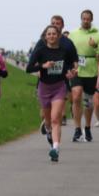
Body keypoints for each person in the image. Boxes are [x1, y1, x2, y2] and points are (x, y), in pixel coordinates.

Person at [26, 24, 77, 162]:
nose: (51, 36)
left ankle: (55, 148)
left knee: (56, 119)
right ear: (45, 36)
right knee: (48, 120)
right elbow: (29, 68)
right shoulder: (40, 51)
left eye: (54, 33)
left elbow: (68, 67)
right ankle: (48, 131)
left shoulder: (63, 51)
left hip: (59, 87)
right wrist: (43, 66)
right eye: (49, 34)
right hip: (44, 88)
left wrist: (70, 73)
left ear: (58, 35)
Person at [68, 9, 99, 143]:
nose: (85, 21)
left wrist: (96, 45)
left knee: (88, 101)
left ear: (91, 20)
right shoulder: (73, 34)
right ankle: (77, 129)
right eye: (83, 18)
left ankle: (87, 127)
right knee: (76, 95)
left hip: (91, 69)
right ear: (81, 19)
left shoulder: (98, 34)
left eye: (88, 19)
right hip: (77, 69)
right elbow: (67, 49)